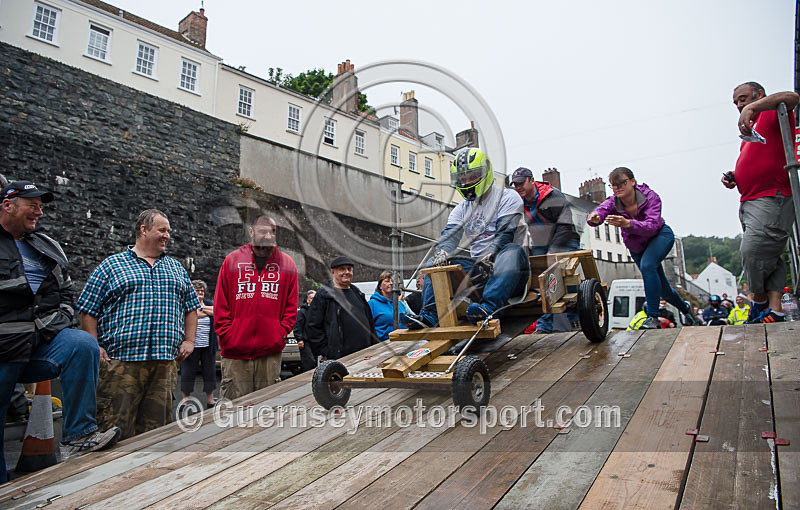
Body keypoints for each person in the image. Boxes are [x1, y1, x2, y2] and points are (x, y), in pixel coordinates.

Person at [0, 181, 120, 482]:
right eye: (32, 204)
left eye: (41, 205)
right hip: (4, 350)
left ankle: (79, 436)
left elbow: (66, 294)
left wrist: (51, 324)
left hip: (39, 344)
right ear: (8, 205)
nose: (39, 211)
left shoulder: (45, 245)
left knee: (82, 343)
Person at [78, 209, 200, 440]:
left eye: (169, 232)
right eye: (162, 230)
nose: (167, 236)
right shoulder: (111, 266)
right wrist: (94, 346)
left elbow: (191, 308)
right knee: (114, 429)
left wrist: (190, 340)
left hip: (164, 363)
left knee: (157, 433)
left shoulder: (176, 268)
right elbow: (88, 309)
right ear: (143, 230)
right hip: (121, 362)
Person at [401, 147, 528, 328]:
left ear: (486, 172)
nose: (467, 181)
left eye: (473, 176)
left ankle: (488, 308)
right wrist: (442, 254)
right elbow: (449, 237)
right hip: (480, 271)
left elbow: (505, 233)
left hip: (512, 271)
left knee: (511, 251)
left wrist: (491, 254)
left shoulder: (508, 197)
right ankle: (429, 315)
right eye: (463, 178)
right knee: (434, 263)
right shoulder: (460, 210)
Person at [722, 82, 799, 323]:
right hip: (750, 199)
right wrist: (736, 175)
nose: (739, 105)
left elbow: (792, 96)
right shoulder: (751, 128)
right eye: (736, 102)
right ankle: (775, 310)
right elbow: (759, 159)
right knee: (773, 258)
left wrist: (752, 109)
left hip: (772, 197)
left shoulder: (773, 112)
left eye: (743, 99)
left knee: (752, 251)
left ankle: (758, 301)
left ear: (760, 95)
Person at [587, 167, 696, 329]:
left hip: (659, 237)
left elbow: (652, 226)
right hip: (637, 246)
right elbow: (600, 211)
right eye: (614, 185)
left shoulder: (651, 197)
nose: (618, 188)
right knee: (664, 290)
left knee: (647, 265)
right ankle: (685, 308)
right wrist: (594, 218)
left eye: (622, 183)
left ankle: (652, 317)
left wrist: (628, 223)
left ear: (632, 181)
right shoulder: (613, 201)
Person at [214, 215, 298, 400]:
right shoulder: (232, 261)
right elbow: (221, 304)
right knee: (233, 412)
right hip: (235, 354)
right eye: (263, 231)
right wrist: (228, 336)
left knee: (266, 411)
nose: (268, 235)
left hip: (269, 354)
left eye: (272, 231)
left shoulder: (287, 265)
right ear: (251, 232)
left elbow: (291, 308)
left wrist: (279, 333)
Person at [509, 167, 581, 333]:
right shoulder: (518, 202)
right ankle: (544, 325)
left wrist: (554, 249)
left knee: (565, 274)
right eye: (515, 185)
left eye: (521, 183)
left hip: (565, 239)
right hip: (541, 242)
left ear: (532, 180)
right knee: (537, 279)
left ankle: (575, 317)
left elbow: (565, 224)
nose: (518, 187)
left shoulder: (552, 196)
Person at [306, 256, 378, 360]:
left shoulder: (357, 293)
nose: (347, 272)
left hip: (365, 356)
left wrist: (372, 346)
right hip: (340, 359)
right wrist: (327, 352)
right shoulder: (324, 296)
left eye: (349, 269)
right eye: (342, 269)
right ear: (333, 271)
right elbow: (313, 327)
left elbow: (369, 322)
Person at [179, 280, 217, 409]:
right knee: (187, 373)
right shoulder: (188, 303)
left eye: (202, 291)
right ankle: (185, 400)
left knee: (210, 373)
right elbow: (191, 314)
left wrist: (201, 309)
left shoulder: (208, 303)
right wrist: (204, 311)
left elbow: (217, 311)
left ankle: (210, 399)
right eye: (197, 290)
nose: (200, 293)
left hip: (208, 345)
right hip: (191, 346)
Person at [368, 270, 408, 341]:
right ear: (380, 286)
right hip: (383, 345)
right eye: (387, 281)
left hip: (404, 342)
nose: (391, 283)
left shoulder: (399, 303)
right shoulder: (372, 304)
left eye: (394, 281)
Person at [292, 289, 319, 372]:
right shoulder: (302, 312)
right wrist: (299, 339)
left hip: (316, 341)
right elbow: (297, 326)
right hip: (305, 342)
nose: (314, 300)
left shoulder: (319, 312)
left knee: (316, 363)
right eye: (311, 298)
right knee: (309, 362)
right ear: (307, 300)